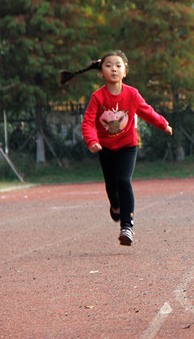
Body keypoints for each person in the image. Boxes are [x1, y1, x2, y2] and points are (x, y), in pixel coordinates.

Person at [63, 51, 173, 246]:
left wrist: (163, 124)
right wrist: (92, 141)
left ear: (125, 72)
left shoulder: (132, 94)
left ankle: (127, 226)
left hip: (127, 146)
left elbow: (147, 111)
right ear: (101, 72)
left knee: (123, 180)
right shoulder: (98, 97)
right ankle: (115, 206)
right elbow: (88, 122)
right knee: (111, 185)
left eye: (118, 65)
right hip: (104, 147)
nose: (113, 69)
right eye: (108, 65)